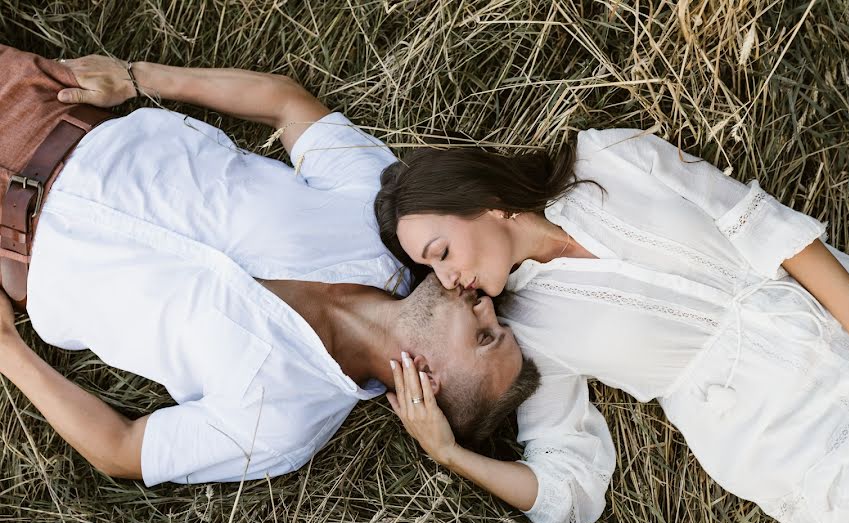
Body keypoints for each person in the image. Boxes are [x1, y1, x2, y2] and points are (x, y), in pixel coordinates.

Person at [0, 44, 539, 494]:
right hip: (46, 119)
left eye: (486, 337)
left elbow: (121, 449)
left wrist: (9, 351)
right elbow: (287, 104)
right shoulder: (388, 221)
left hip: (12, 254)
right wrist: (137, 78)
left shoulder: (283, 424)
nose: (486, 301)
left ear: (426, 382)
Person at [375, 129, 849, 523]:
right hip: (795, 438)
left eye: (441, 253)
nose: (447, 278)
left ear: (483, 202)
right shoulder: (526, 331)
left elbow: (768, 227)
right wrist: (449, 454)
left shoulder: (606, 158)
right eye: (433, 269)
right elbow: (567, 488)